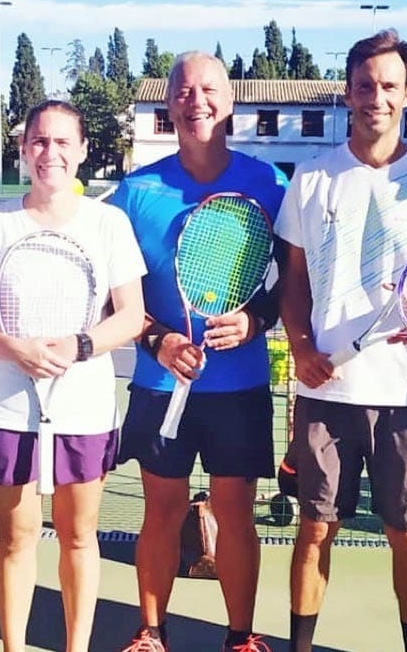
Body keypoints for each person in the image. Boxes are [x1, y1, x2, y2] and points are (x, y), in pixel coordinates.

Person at [276, 29, 407, 652]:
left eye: (388, 85)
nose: (375, 97)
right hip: (326, 389)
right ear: (347, 94)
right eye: (364, 86)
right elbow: (293, 282)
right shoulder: (312, 178)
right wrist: (301, 348)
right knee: (314, 530)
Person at [111, 51, 287, 652]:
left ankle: (241, 636)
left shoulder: (270, 184)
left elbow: (293, 283)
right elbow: (114, 299)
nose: (197, 101)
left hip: (238, 387)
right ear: (168, 104)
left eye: (209, 90)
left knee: (236, 514)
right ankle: (150, 632)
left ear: (230, 100)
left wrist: (255, 319)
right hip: (160, 386)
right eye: (183, 91)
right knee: (162, 511)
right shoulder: (135, 192)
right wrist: (158, 340)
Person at [0, 100, 145, 652]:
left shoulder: (108, 223)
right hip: (4, 410)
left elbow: (131, 317)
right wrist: (12, 347)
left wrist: (81, 344)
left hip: (83, 410)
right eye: (40, 141)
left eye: (64, 142)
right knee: (16, 539)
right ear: (23, 150)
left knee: (78, 536)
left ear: (83, 151)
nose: (51, 153)